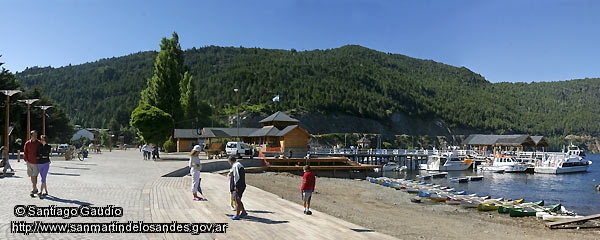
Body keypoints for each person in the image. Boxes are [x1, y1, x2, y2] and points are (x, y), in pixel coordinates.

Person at [23, 130, 41, 197]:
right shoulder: (27, 143)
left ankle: (33, 189)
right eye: (33, 135)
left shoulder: (39, 143)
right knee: (31, 175)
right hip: (29, 162)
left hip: (36, 162)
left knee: (34, 175)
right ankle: (35, 188)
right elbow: (25, 151)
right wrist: (26, 159)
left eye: (36, 135)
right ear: (31, 136)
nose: (35, 136)